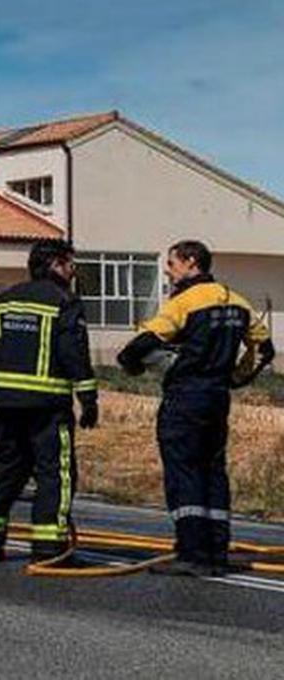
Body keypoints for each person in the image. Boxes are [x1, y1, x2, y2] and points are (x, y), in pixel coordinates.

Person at [118, 240, 274, 577]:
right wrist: (236, 377)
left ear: (191, 262)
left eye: (172, 266)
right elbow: (265, 349)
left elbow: (142, 345)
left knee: (184, 471)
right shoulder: (236, 300)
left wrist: (132, 363)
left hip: (185, 396)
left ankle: (191, 553)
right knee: (213, 471)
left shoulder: (184, 303)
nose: (170, 275)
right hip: (217, 397)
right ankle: (217, 550)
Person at [0, 239, 99, 564]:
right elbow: (74, 354)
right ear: (56, 264)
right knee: (55, 473)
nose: (73, 270)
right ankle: (49, 547)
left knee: (6, 469)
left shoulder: (2, 302)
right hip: (47, 405)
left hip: (3, 404)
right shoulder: (64, 302)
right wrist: (88, 398)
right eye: (70, 263)